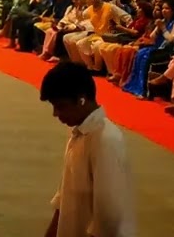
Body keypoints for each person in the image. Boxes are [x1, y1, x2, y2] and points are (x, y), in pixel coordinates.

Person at [39, 61, 135, 237]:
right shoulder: (79, 133)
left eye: (60, 106)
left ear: (81, 100)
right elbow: (65, 195)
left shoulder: (106, 139)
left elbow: (109, 214)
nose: (55, 114)